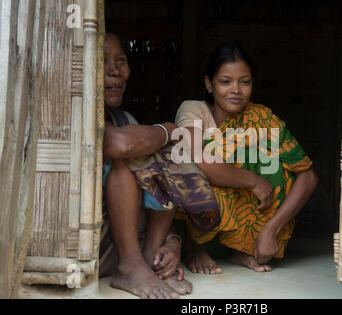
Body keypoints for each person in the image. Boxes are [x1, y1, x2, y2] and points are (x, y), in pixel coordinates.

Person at [174, 44, 319, 273]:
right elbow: (198, 160)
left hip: (252, 227)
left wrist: (271, 229)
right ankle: (196, 246)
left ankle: (242, 248)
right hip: (200, 221)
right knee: (189, 163)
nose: (236, 90)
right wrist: (253, 180)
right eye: (225, 82)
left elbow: (308, 176)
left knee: (267, 156)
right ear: (209, 84)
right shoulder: (194, 110)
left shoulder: (261, 118)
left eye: (244, 82)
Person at [100, 32, 192, 299]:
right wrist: (169, 129)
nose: (115, 71)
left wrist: (172, 243)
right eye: (103, 61)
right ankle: (130, 266)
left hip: (130, 246)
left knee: (168, 155)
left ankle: (151, 257)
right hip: (85, 249)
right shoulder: (70, 114)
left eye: (121, 60)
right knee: (129, 158)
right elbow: (120, 145)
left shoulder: (124, 118)